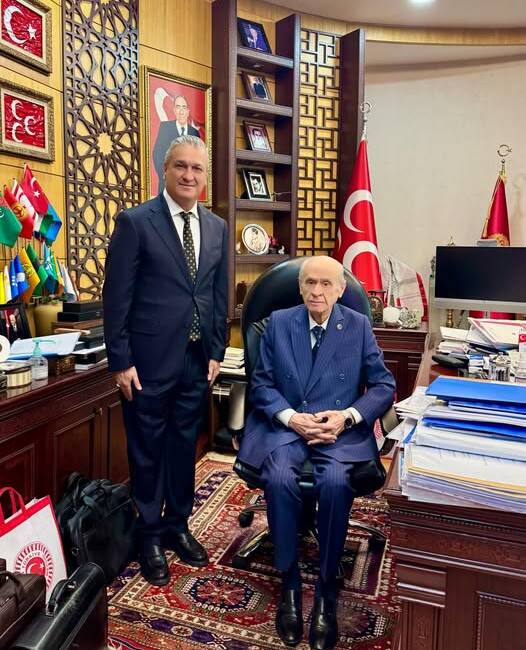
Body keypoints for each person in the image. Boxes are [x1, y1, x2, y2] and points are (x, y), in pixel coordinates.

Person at [237, 256, 395, 650]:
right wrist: (291, 418)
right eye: (309, 283)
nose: (317, 291)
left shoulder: (357, 325)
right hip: (286, 427)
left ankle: (326, 589)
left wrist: (347, 416)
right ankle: (289, 584)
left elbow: (383, 385)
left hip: (338, 430)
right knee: (278, 478)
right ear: (300, 286)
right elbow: (261, 385)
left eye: (326, 284)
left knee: (336, 481)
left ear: (341, 290)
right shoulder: (279, 322)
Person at [103, 135, 228, 587]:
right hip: (147, 363)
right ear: (165, 169)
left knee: (183, 447)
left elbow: (217, 294)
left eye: (197, 168)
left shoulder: (217, 227)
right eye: (181, 166)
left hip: (196, 360)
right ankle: (150, 537)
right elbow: (116, 297)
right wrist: (120, 360)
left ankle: (177, 524)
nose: (189, 175)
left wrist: (216, 350)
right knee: (147, 451)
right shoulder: (136, 222)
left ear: (205, 176)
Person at [152, 95, 201, 193]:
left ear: (188, 111)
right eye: (178, 107)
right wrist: (166, 175)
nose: (181, 111)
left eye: (184, 107)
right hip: (167, 185)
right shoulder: (165, 127)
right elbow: (157, 154)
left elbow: (198, 160)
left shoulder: (195, 133)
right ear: (174, 110)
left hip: (187, 187)